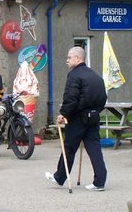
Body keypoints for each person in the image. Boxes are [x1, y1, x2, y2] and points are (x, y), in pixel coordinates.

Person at [45, 46, 107, 191]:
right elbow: (103, 97)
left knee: (69, 147)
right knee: (94, 147)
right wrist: (95, 111)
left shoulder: (74, 75)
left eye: (69, 57)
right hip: (93, 116)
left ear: (78, 58)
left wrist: (63, 114)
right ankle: (100, 181)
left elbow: (70, 99)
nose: (67, 61)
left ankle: (59, 177)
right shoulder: (95, 75)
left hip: (78, 118)